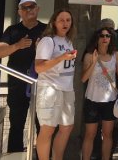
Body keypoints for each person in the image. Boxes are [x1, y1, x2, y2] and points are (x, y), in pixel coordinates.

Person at [0, 0, 46, 152]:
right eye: (25, 8)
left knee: (42, 124)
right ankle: (14, 155)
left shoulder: (47, 29)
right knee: (16, 123)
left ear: (38, 9)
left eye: (32, 7)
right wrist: (17, 45)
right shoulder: (12, 30)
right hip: (17, 83)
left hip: (42, 83)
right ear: (19, 12)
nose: (29, 10)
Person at [34, 9, 78, 160]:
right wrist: (61, 58)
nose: (65, 23)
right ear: (54, 22)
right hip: (50, 88)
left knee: (67, 127)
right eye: (62, 20)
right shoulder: (48, 40)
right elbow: (39, 67)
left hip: (67, 89)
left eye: (68, 20)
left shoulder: (68, 41)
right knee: (48, 129)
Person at [81, 28, 118, 160]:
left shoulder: (116, 55)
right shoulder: (89, 55)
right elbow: (83, 78)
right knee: (90, 134)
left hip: (110, 100)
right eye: (102, 36)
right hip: (92, 99)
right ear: (96, 38)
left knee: (108, 134)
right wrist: (94, 62)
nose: (105, 38)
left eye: (108, 36)